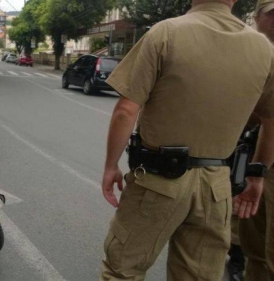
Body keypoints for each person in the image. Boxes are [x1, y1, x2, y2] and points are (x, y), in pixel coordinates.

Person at [100, 0, 274, 280]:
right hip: (217, 186)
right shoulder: (265, 49)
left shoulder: (166, 33)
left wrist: (111, 166)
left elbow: (126, 110)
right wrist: (257, 174)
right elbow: (271, 119)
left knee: (123, 271)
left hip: (157, 181)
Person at [237, 1, 274, 280]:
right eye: (272, 15)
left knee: (262, 246)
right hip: (251, 155)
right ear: (258, 17)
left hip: (262, 162)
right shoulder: (247, 52)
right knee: (254, 243)